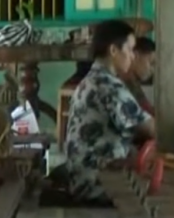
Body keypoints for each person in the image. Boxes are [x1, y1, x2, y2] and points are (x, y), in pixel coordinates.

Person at [64, 19, 156, 202]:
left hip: (82, 175)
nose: (132, 56)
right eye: (129, 49)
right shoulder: (108, 86)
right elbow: (151, 129)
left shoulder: (95, 77)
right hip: (93, 183)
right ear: (113, 50)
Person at [123, 36, 156, 116]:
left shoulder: (133, 83)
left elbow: (148, 110)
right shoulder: (123, 86)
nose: (153, 70)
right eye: (151, 63)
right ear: (135, 56)